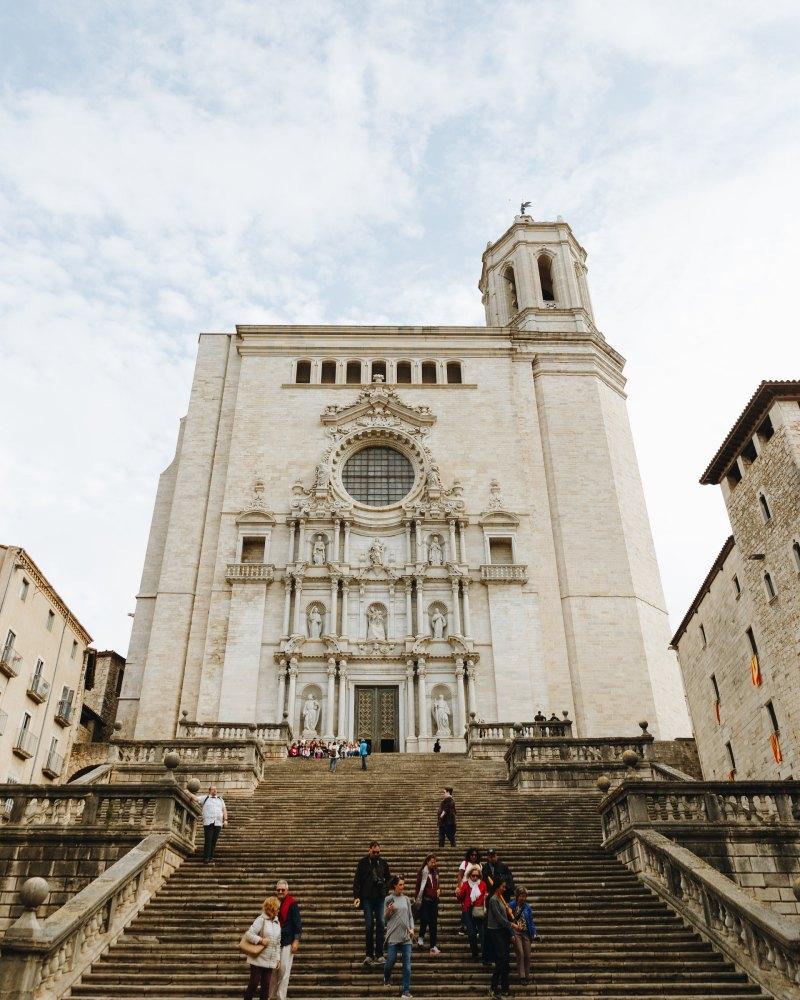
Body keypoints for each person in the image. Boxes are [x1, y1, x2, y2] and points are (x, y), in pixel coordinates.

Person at [353, 840, 391, 965]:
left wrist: (385, 889)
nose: (376, 854)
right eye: (374, 852)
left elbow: (389, 879)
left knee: (380, 923)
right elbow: (357, 880)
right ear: (369, 850)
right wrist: (356, 896)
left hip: (380, 898)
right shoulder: (363, 863)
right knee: (369, 926)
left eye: (378, 852)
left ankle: (379, 953)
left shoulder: (383, 863)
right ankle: (369, 954)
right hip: (367, 898)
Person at [382, 874, 416, 999]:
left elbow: (410, 916)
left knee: (406, 965)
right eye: (400, 884)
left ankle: (406, 991)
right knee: (391, 960)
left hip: (406, 936)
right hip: (393, 935)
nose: (403, 887)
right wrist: (389, 910)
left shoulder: (406, 899)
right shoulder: (388, 899)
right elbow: (385, 918)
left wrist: (412, 929)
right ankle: (386, 977)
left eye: (403, 884)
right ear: (395, 885)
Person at [242, 896, 282, 1000]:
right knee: (254, 983)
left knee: (266, 986)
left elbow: (278, 943)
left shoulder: (278, 923)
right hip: (257, 958)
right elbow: (249, 934)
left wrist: (277, 959)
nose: (279, 910)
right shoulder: (261, 920)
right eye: (277, 908)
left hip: (269, 960)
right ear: (271, 908)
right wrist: (261, 940)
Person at [268, 879, 302, 1000]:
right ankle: (270, 996)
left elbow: (298, 923)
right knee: (273, 970)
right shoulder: (273, 902)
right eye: (279, 890)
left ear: (287, 890)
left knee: (284, 971)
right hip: (274, 942)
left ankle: (281, 997)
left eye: (283, 890)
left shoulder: (292, 903)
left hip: (287, 941)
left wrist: (296, 940)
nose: (281, 891)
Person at [486, 876, 514, 999]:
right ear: (497, 887)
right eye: (502, 886)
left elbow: (504, 916)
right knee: (501, 959)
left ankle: (504, 987)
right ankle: (493, 986)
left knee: (505, 960)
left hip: (502, 932)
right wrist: (512, 925)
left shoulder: (501, 899)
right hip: (495, 932)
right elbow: (499, 919)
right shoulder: (493, 900)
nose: (504, 888)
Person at [456, 863, 487, 960]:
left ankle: (485, 956)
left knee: (482, 934)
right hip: (468, 911)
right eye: (473, 875)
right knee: (471, 934)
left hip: (479, 910)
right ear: (469, 875)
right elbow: (460, 899)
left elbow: (484, 896)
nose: (475, 877)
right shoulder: (465, 884)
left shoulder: (482, 884)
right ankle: (475, 954)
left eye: (477, 876)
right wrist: (458, 893)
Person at [414, 853, 441, 955]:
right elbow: (417, 887)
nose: (434, 864)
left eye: (435, 862)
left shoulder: (436, 872)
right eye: (432, 862)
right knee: (424, 919)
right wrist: (416, 898)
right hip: (424, 900)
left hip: (434, 901)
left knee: (433, 923)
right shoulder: (422, 872)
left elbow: (438, 885)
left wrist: (439, 890)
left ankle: (433, 946)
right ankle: (421, 937)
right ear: (427, 862)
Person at [510, 886, 537, 985]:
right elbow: (508, 921)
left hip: (526, 932)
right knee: (520, 953)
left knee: (528, 955)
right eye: (522, 896)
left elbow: (531, 921)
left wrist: (534, 932)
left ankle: (527, 975)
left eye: (525, 896)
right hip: (516, 932)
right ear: (517, 896)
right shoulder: (511, 905)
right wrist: (511, 933)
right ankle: (522, 976)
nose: (523, 898)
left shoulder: (527, 907)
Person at [196, 785, 228, 863]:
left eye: (215, 789)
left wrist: (225, 820)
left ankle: (211, 856)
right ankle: (206, 857)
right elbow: (195, 799)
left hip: (218, 823)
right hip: (208, 822)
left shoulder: (220, 799)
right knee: (208, 840)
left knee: (214, 840)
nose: (215, 790)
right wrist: (188, 792)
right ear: (209, 791)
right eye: (213, 789)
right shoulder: (205, 798)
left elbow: (224, 810)